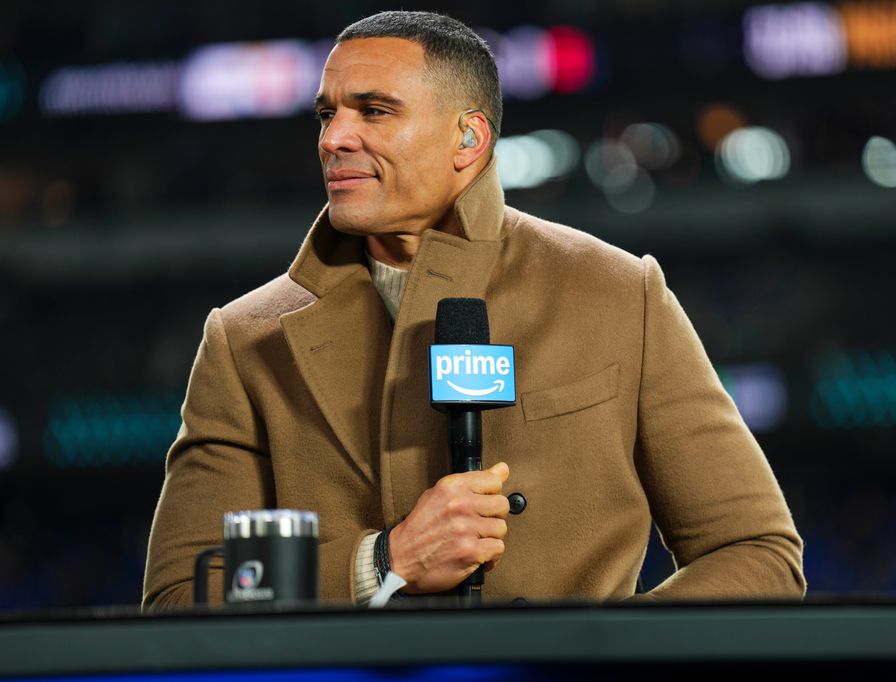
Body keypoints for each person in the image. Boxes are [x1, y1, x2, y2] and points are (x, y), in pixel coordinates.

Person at [143, 11, 805, 608]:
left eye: (374, 110)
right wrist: (382, 561)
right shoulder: (244, 339)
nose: (334, 138)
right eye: (327, 114)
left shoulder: (616, 291)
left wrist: (596, 656)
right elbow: (181, 593)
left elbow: (757, 555)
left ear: (469, 138)